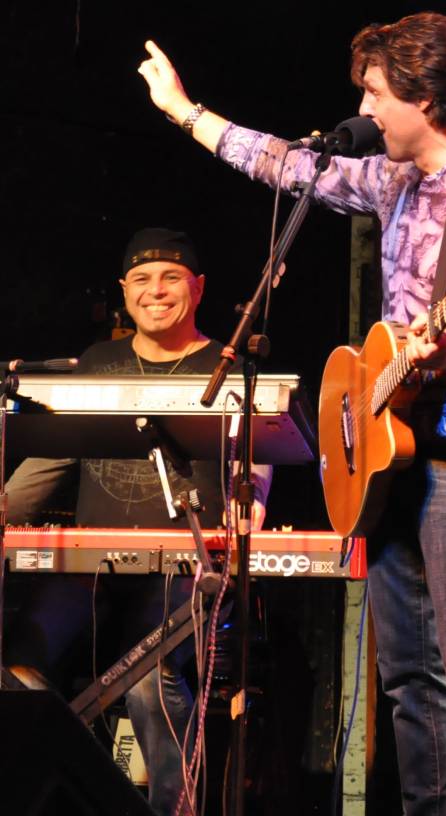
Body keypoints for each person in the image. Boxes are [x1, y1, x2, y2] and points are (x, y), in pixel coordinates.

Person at [137, 12, 446, 815]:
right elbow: (283, 165)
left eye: (376, 93)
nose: (367, 111)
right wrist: (183, 111)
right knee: (409, 675)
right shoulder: (391, 178)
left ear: (426, 94)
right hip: (385, 449)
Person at [5, 227, 272, 816]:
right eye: (141, 280)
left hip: (185, 570)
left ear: (197, 289)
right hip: (88, 570)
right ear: (124, 291)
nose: (155, 291)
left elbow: (257, 455)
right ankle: (81, 778)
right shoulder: (98, 363)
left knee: (151, 679)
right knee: (15, 666)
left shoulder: (222, 365)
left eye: (171, 277)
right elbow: (51, 460)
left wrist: (250, 498)